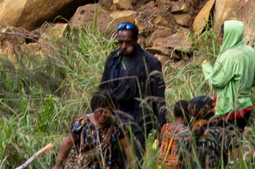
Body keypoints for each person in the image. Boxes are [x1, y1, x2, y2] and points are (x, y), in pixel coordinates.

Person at [98, 22, 166, 162]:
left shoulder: (150, 62)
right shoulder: (113, 59)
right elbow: (103, 88)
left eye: (127, 42)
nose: (123, 46)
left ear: (135, 40)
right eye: (120, 42)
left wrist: (161, 125)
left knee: (135, 160)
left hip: (138, 122)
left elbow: (158, 97)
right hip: (114, 119)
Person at [202, 19, 255, 159]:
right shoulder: (250, 51)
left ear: (230, 35)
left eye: (222, 35)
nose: (219, 38)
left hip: (229, 108)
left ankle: (234, 164)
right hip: (245, 107)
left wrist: (206, 67)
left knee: (226, 144)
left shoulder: (229, 56)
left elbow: (216, 81)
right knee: (236, 141)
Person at [51, 90, 135, 169]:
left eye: (107, 111)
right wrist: (57, 166)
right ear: (94, 107)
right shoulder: (82, 124)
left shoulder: (117, 125)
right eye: (101, 111)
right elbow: (68, 143)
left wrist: (133, 165)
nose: (103, 114)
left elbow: (127, 146)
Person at [156, 101, 192, 169]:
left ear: (174, 114)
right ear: (189, 115)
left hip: (161, 165)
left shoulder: (165, 127)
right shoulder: (186, 132)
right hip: (175, 166)